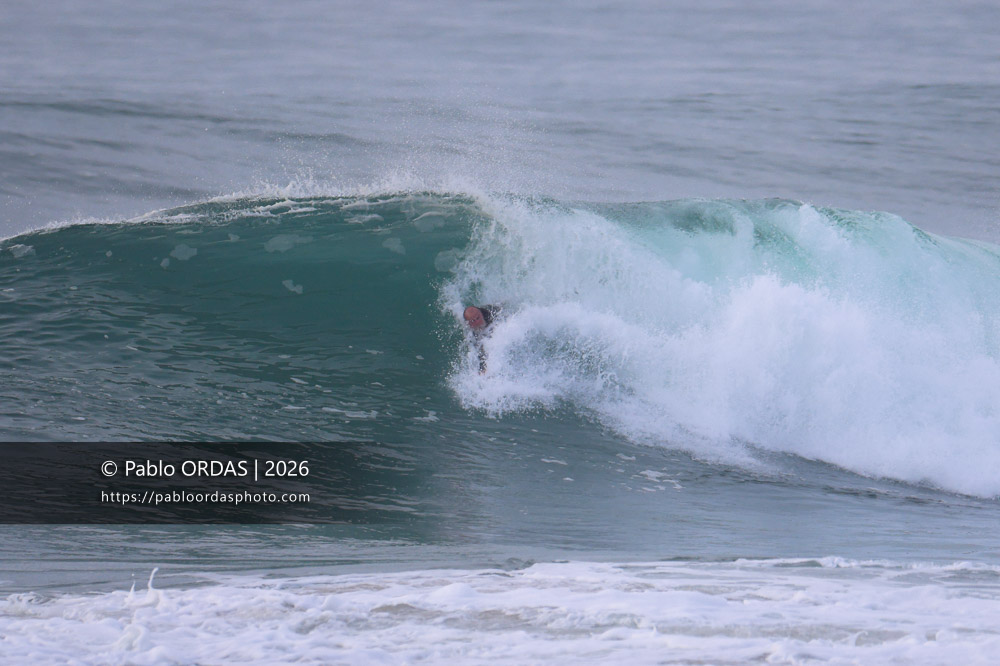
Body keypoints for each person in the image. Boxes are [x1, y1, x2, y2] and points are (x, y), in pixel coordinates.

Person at [464, 305, 501, 373]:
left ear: (481, 314)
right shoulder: (471, 333)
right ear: (469, 323)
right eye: (473, 321)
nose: (477, 322)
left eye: (478, 318)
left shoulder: (490, 315)